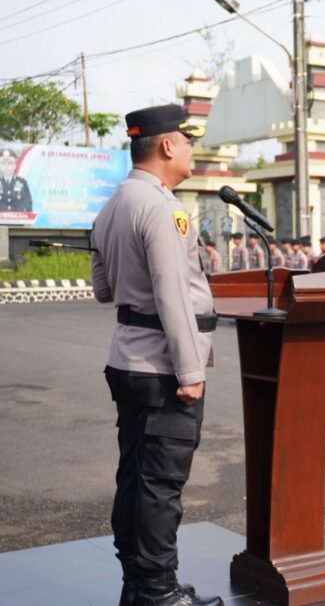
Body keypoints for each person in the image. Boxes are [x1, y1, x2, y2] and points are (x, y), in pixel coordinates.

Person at [89, 104, 222, 606]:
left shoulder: (113, 204)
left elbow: (104, 288)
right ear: (168, 146)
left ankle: (140, 583)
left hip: (126, 358)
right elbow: (172, 296)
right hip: (163, 367)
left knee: (136, 478)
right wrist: (190, 371)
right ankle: (158, 593)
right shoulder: (166, 209)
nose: (191, 151)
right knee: (160, 484)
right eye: (187, 143)